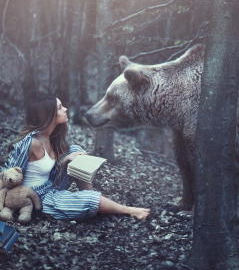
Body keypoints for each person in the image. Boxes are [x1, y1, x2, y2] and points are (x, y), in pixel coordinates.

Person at [2, 95, 150, 222]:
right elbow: (6, 174)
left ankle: (87, 195)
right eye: (60, 108)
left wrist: (65, 160)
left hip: (50, 185)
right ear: (48, 115)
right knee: (91, 201)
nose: (65, 109)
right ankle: (126, 209)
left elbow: (42, 168)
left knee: (75, 151)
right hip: (35, 198)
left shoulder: (50, 137)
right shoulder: (31, 143)